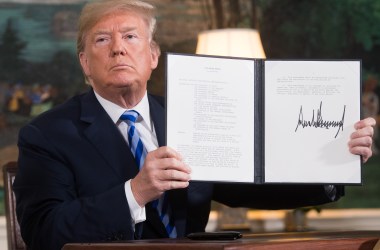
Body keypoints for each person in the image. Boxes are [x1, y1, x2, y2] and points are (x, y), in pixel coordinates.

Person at [13, 0, 376, 249]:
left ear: (153, 56)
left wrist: (333, 162)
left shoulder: (192, 115)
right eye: (102, 40)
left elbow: (254, 185)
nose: (118, 49)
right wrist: (134, 192)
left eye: (130, 36)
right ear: (85, 63)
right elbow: (43, 233)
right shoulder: (47, 135)